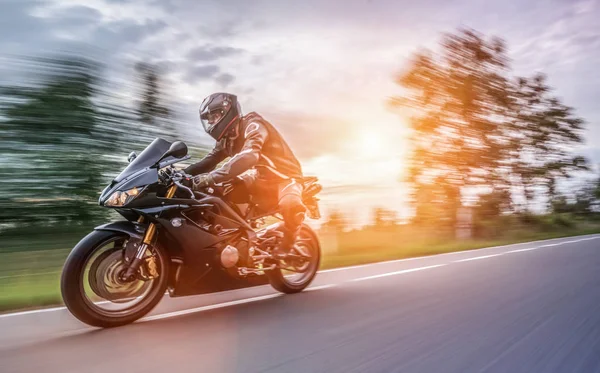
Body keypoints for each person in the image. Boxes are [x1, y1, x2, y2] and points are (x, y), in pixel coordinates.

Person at [184, 92, 306, 256]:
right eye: (209, 119)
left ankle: (288, 242)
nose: (212, 121)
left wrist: (209, 177)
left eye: (214, 116)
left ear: (227, 111)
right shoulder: (226, 140)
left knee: (290, 205)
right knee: (220, 192)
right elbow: (207, 162)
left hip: (286, 177)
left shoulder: (253, 125)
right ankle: (238, 236)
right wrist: (178, 174)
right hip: (259, 177)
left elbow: (249, 156)